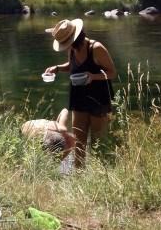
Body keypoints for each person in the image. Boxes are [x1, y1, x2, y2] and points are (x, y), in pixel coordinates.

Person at [44, 18, 116, 168]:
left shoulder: (96, 48)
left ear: (76, 37)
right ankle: (79, 176)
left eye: (68, 43)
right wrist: (57, 68)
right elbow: (71, 66)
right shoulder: (73, 49)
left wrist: (93, 76)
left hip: (99, 99)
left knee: (99, 143)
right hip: (78, 98)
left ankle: (103, 175)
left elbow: (111, 73)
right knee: (78, 142)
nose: (66, 47)